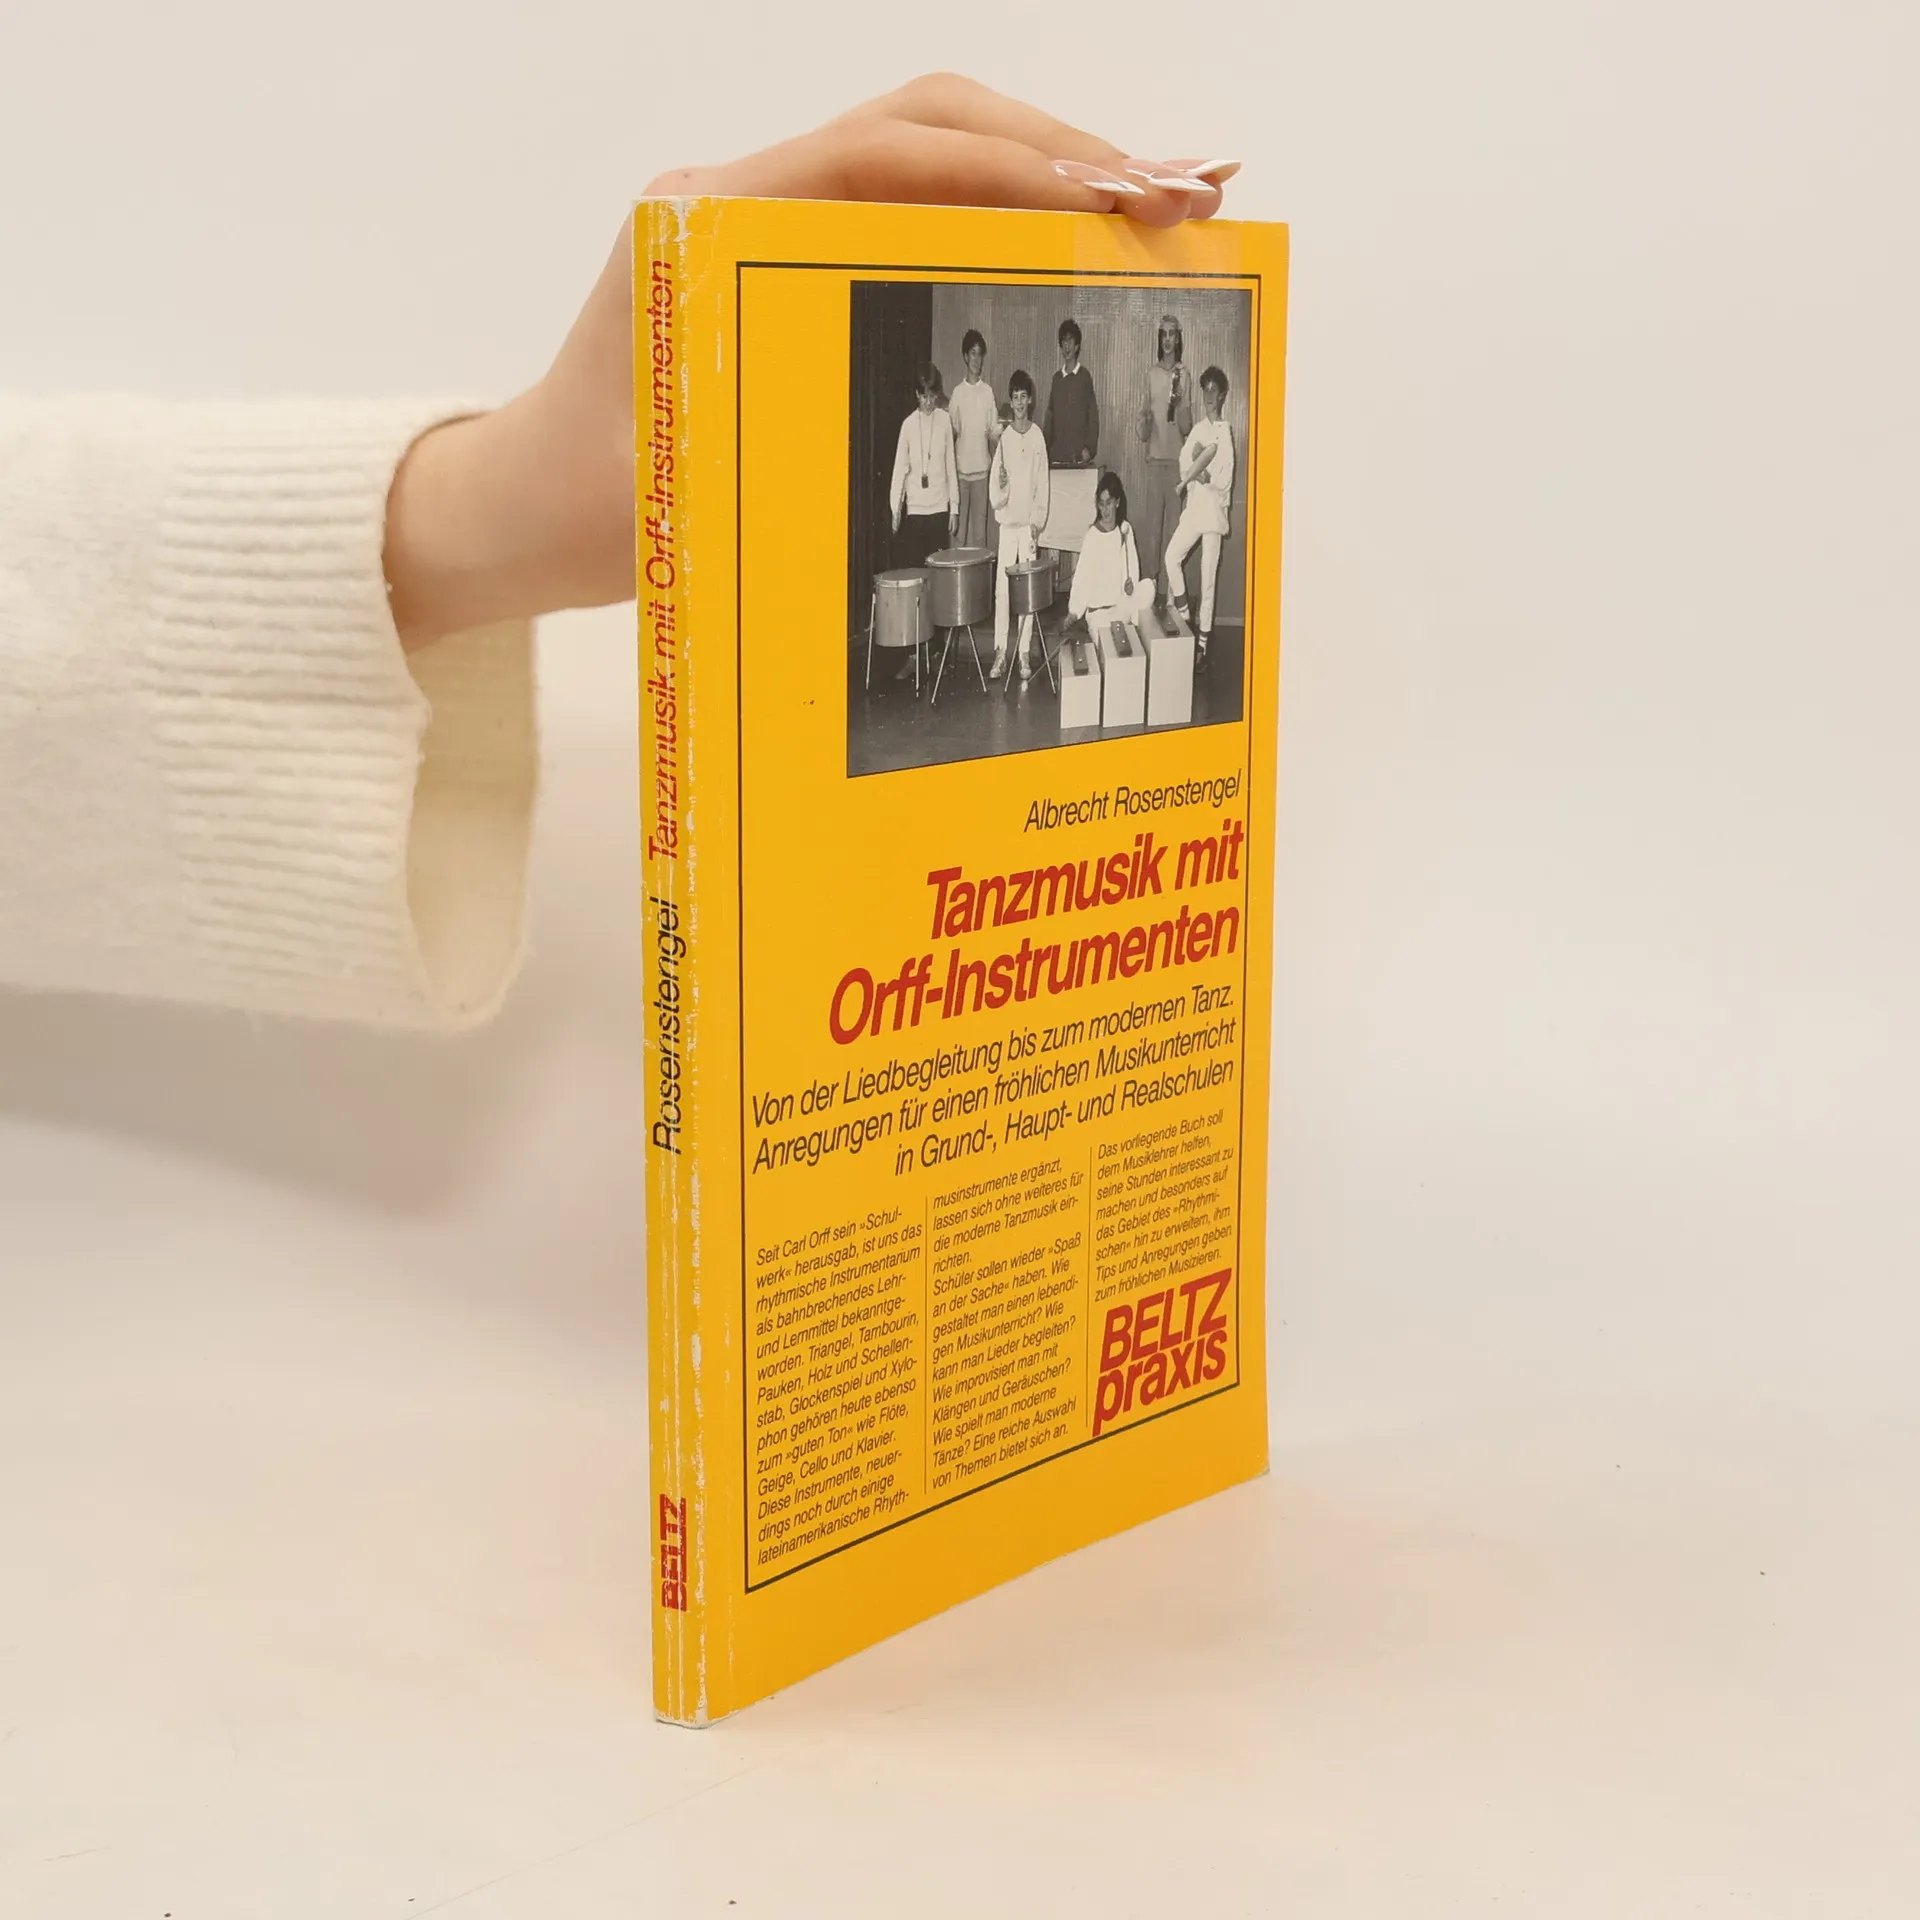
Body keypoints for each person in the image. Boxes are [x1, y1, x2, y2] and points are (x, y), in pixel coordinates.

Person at [0, 76, 1235, 1030]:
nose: (989, 382)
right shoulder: (958, 416)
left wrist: (470, 516)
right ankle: (980, 659)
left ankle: (1016, 659)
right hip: (963, 501)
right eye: (976, 373)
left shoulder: (1067, 424)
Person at [1164, 364, 1235, 667]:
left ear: (1222, 396)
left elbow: (1225, 478)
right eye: (1205, 389)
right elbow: (1185, 460)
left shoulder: (1225, 432)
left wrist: (1207, 476)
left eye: (1213, 391)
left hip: (1214, 515)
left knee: (1208, 580)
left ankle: (1202, 645)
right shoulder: (1198, 429)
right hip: (1195, 509)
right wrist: (1194, 465)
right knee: (1171, 557)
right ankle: (1185, 616)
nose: (1208, 395)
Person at [988, 371, 1050, 682]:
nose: (1020, 403)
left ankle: (1023, 651)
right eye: (1015, 398)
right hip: (1008, 526)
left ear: (1030, 399)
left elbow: (1042, 482)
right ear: (1010, 402)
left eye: (1024, 396)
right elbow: (996, 493)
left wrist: (1037, 521)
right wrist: (1002, 485)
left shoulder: (1037, 436)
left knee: (1026, 593)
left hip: (1027, 527)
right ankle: (1001, 651)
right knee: (1002, 591)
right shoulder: (1005, 439)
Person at [1135, 313, 1193, 605]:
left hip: (1177, 465)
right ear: (1160, 339)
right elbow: (1142, 431)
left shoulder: (1184, 375)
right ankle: (1149, 594)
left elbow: (1186, 427)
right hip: (1155, 462)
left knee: (1173, 534)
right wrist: (1145, 420)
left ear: (1178, 339)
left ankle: (1171, 599)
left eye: (1172, 334)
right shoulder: (1151, 374)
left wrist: (1180, 403)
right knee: (1152, 535)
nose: (1168, 339)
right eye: (1164, 334)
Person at [890, 362, 960, 570]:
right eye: (924, 397)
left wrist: (954, 508)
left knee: (937, 573)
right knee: (916, 572)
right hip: (916, 511)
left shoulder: (945, 421)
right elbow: (899, 471)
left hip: (939, 509)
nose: (929, 402)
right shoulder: (908, 425)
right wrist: (895, 509)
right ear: (916, 394)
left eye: (932, 397)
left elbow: (951, 467)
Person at [1068, 472, 1155, 634]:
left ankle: (1132, 627)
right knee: (1108, 641)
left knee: (1149, 587)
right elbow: (1081, 577)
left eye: (1108, 503)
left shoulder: (1125, 529)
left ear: (1117, 502)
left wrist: (1130, 586)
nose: (1105, 510)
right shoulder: (1092, 536)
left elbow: (1132, 567)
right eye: (1101, 504)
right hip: (1099, 613)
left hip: (1121, 607)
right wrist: (1074, 610)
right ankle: (1130, 627)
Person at [949, 329, 1000, 551]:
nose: (976, 359)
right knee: (958, 536)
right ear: (965, 356)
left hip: (981, 474)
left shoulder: (987, 392)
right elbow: (951, 433)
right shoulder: (957, 393)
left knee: (980, 537)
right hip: (960, 475)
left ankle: (980, 575)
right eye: (972, 353)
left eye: (980, 354)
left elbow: (994, 432)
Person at [1044, 318, 1099, 469]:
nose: (1066, 345)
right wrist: (1045, 448)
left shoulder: (1084, 377)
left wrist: (1090, 449)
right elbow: (1050, 418)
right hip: (1057, 457)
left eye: (1070, 340)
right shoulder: (1056, 379)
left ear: (1077, 346)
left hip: (1078, 458)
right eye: (1063, 341)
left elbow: (1093, 416)